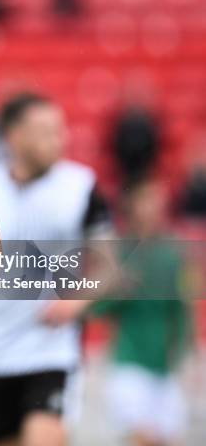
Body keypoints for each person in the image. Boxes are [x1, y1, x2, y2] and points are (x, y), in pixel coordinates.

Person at [0, 93, 112, 446]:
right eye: (46, 131)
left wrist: (76, 302)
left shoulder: (81, 186)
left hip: (53, 353)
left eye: (60, 131)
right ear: (14, 136)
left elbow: (109, 268)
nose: (59, 140)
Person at [91, 179, 192, 446]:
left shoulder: (172, 254)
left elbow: (181, 309)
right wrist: (115, 286)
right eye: (147, 202)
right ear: (133, 208)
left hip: (164, 368)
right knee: (141, 438)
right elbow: (96, 308)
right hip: (129, 362)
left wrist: (181, 354)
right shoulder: (119, 253)